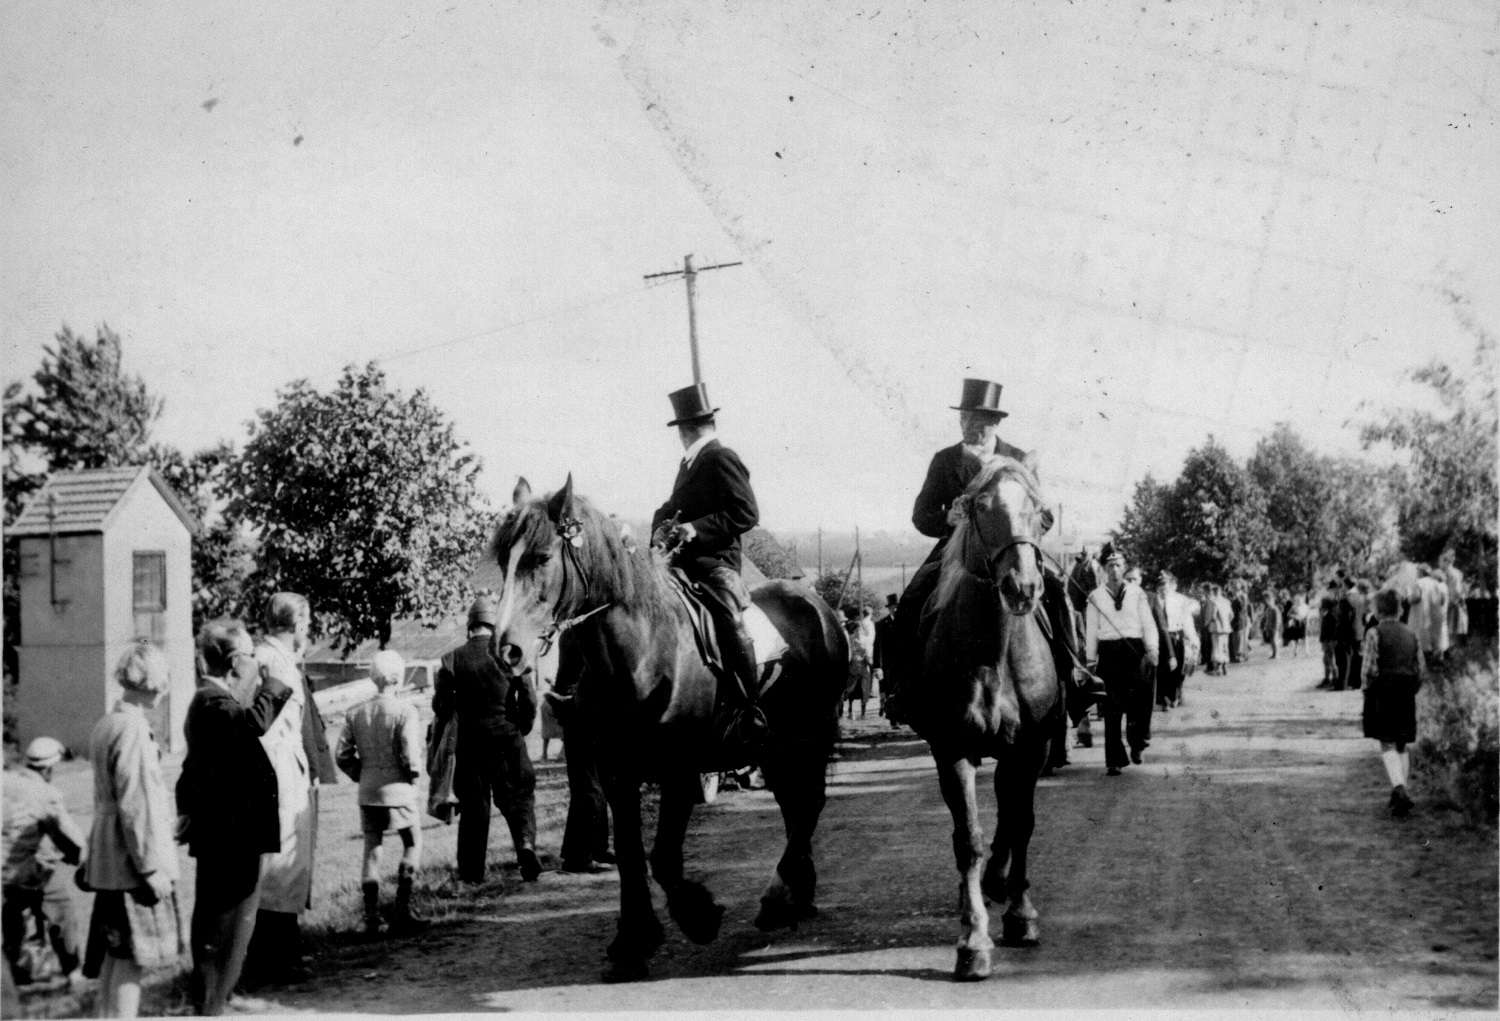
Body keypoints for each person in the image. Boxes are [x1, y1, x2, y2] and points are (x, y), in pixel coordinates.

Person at [885, 379, 1085, 725]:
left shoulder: (1017, 459)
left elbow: (1045, 515)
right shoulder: (945, 460)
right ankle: (902, 687)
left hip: (1011, 551)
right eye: (963, 418)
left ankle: (1075, 673)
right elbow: (921, 515)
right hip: (955, 554)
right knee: (912, 599)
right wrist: (947, 518)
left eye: (975, 419)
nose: (967, 425)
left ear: (994, 422)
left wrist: (1024, 534)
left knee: (1057, 592)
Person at [177, 619, 292, 1015]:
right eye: (249, 655)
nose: (254, 663)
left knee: (227, 918)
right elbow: (254, 724)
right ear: (234, 660)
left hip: (226, 831)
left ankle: (218, 996)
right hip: (231, 834)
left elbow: (192, 768)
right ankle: (212, 1003)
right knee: (227, 920)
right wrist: (274, 683)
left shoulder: (210, 700)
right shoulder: (215, 703)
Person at [650, 382, 765, 755]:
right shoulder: (688, 463)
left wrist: (697, 529)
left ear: (685, 430)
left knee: (729, 616)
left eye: (683, 431)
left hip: (717, 561)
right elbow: (672, 506)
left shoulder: (720, 457)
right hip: (681, 561)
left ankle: (750, 707)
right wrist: (660, 527)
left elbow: (746, 512)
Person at [82, 644, 185, 1018]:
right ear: (151, 681)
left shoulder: (108, 722)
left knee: (115, 953)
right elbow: (135, 803)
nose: (165, 689)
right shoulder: (134, 728)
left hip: (108, 856)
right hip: (130, 862)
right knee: (132, 957)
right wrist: (150, 867)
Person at [242, 592, 336, 989]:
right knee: (281, 864)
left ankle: (283, 949)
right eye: (307, 623)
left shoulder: (272, 656)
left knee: (290, 865)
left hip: (286, 770)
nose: (308, 630)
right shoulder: (270, 660)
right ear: (296, 624)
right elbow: (258, 723)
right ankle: (275, 957)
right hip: (276, 772)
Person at [434, 596, 540, 884]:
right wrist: (522, 727)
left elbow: (442, 707)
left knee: (474, 807)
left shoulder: (451, 659)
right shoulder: (510, 653)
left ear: (470, 626)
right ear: (495, 625)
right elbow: (529, 699)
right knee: (519, 797)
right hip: (507, 738)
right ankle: (526, 847)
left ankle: (471, 874)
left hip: (470, 743)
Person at [337, 650, 428, 937]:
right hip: (399, 788)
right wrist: (413, 780)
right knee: (412, 842)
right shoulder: (406, 711)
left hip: (368, 790)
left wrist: (361, 774)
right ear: (398, 678)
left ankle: (371, 917)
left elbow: (342, 755)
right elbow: (411, 755)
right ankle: (402, 909)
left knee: (372, 850)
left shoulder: (355, 712)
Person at [2, 737, 87, 989]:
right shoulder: (45, 792)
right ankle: (73, 971)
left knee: (12, 918)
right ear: (49, 768)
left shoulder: (6, 780)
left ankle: (14, 971)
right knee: (62, 911)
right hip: (29, 870)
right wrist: (79, 858)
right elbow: (68, 837)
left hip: (4, 871)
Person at [1085, 544, 1159, 775]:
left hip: (1134, 652)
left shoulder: (1137, 594)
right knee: (1111, 708)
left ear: (1124, 567)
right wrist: (1090, 660)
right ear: (1104, 569)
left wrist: (1152, 648)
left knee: (1137, 705)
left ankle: (1137, 744)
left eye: (1118, 565)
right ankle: (1114, 760)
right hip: (1109, 655)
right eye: (1110, 566)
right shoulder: (1095, 597)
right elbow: (1091, 630)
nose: (1114, 570)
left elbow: (1148, 623)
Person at [1360, 589, 1426, 817]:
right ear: (1400, 610)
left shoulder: (1374, 633)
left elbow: (1368, 669)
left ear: (1378, 611)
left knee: (1386, 741)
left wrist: (1367, 692)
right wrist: (1413, 689)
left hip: (1383, 691)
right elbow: (1421, 669)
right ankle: (1400, 790)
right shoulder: (1412, 633)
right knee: (1401, 743)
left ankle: (1399, 788)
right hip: (1406, 691)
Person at [1154, 571, 1191, 709]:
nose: (1163, 587)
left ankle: (1175, 696)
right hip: (1160, 638)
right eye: (1160, 584)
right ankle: (1163, 698)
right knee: (1162, 668)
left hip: (1176, 637)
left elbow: (1187, 621)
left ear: (1172, 585)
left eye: (1165, 584)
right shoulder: (1154, 601)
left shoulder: (1181, 600)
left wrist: (1193, 640)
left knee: (1177, 668)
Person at [1439, 549, 1468, 649]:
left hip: (1452, 605)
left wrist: (1451, 602)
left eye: (1441, 561)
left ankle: (1453, 650)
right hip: (1451, 603)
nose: (1439, 564)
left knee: (1452, 630)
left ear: (1447, 561)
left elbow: (1457, 590)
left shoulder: (1452, 573)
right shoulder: (1450, 572)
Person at [1317, 580, 1341, 687]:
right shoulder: (1326, 616)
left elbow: (1333, 629)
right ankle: (1327, 678)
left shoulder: (1332, 616)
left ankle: (1334, 678)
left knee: (1331, 660)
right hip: (1326, 640)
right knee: (1326, 660)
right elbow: (1323, 629)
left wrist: (1331, 640)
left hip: (1331, 640)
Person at [1208, 584, 1233, 676]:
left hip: (1217, 628)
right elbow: (1231, 615)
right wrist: (1226, 623)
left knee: (1216, 647)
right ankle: (1224, 665)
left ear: (1214, 592)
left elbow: (1213, 616)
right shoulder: (1226, 601)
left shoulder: (1214, 602)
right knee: (1224, 646)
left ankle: (1217, 668)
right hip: (1226, 628)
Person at [1259, 589, 1283, 660]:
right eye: (1266, 600)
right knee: (1271, 641)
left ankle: (1277, 654)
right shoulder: (1268, 609)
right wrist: (1265, 626)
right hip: (1269, 627)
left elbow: (1277, 620)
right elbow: (1266, 618)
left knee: (1275, 640)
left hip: (1274, 628)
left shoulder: (1275, 609)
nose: (1267, 601)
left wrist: (1275, 628)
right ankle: (1274, 653)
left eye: (1268, 599)